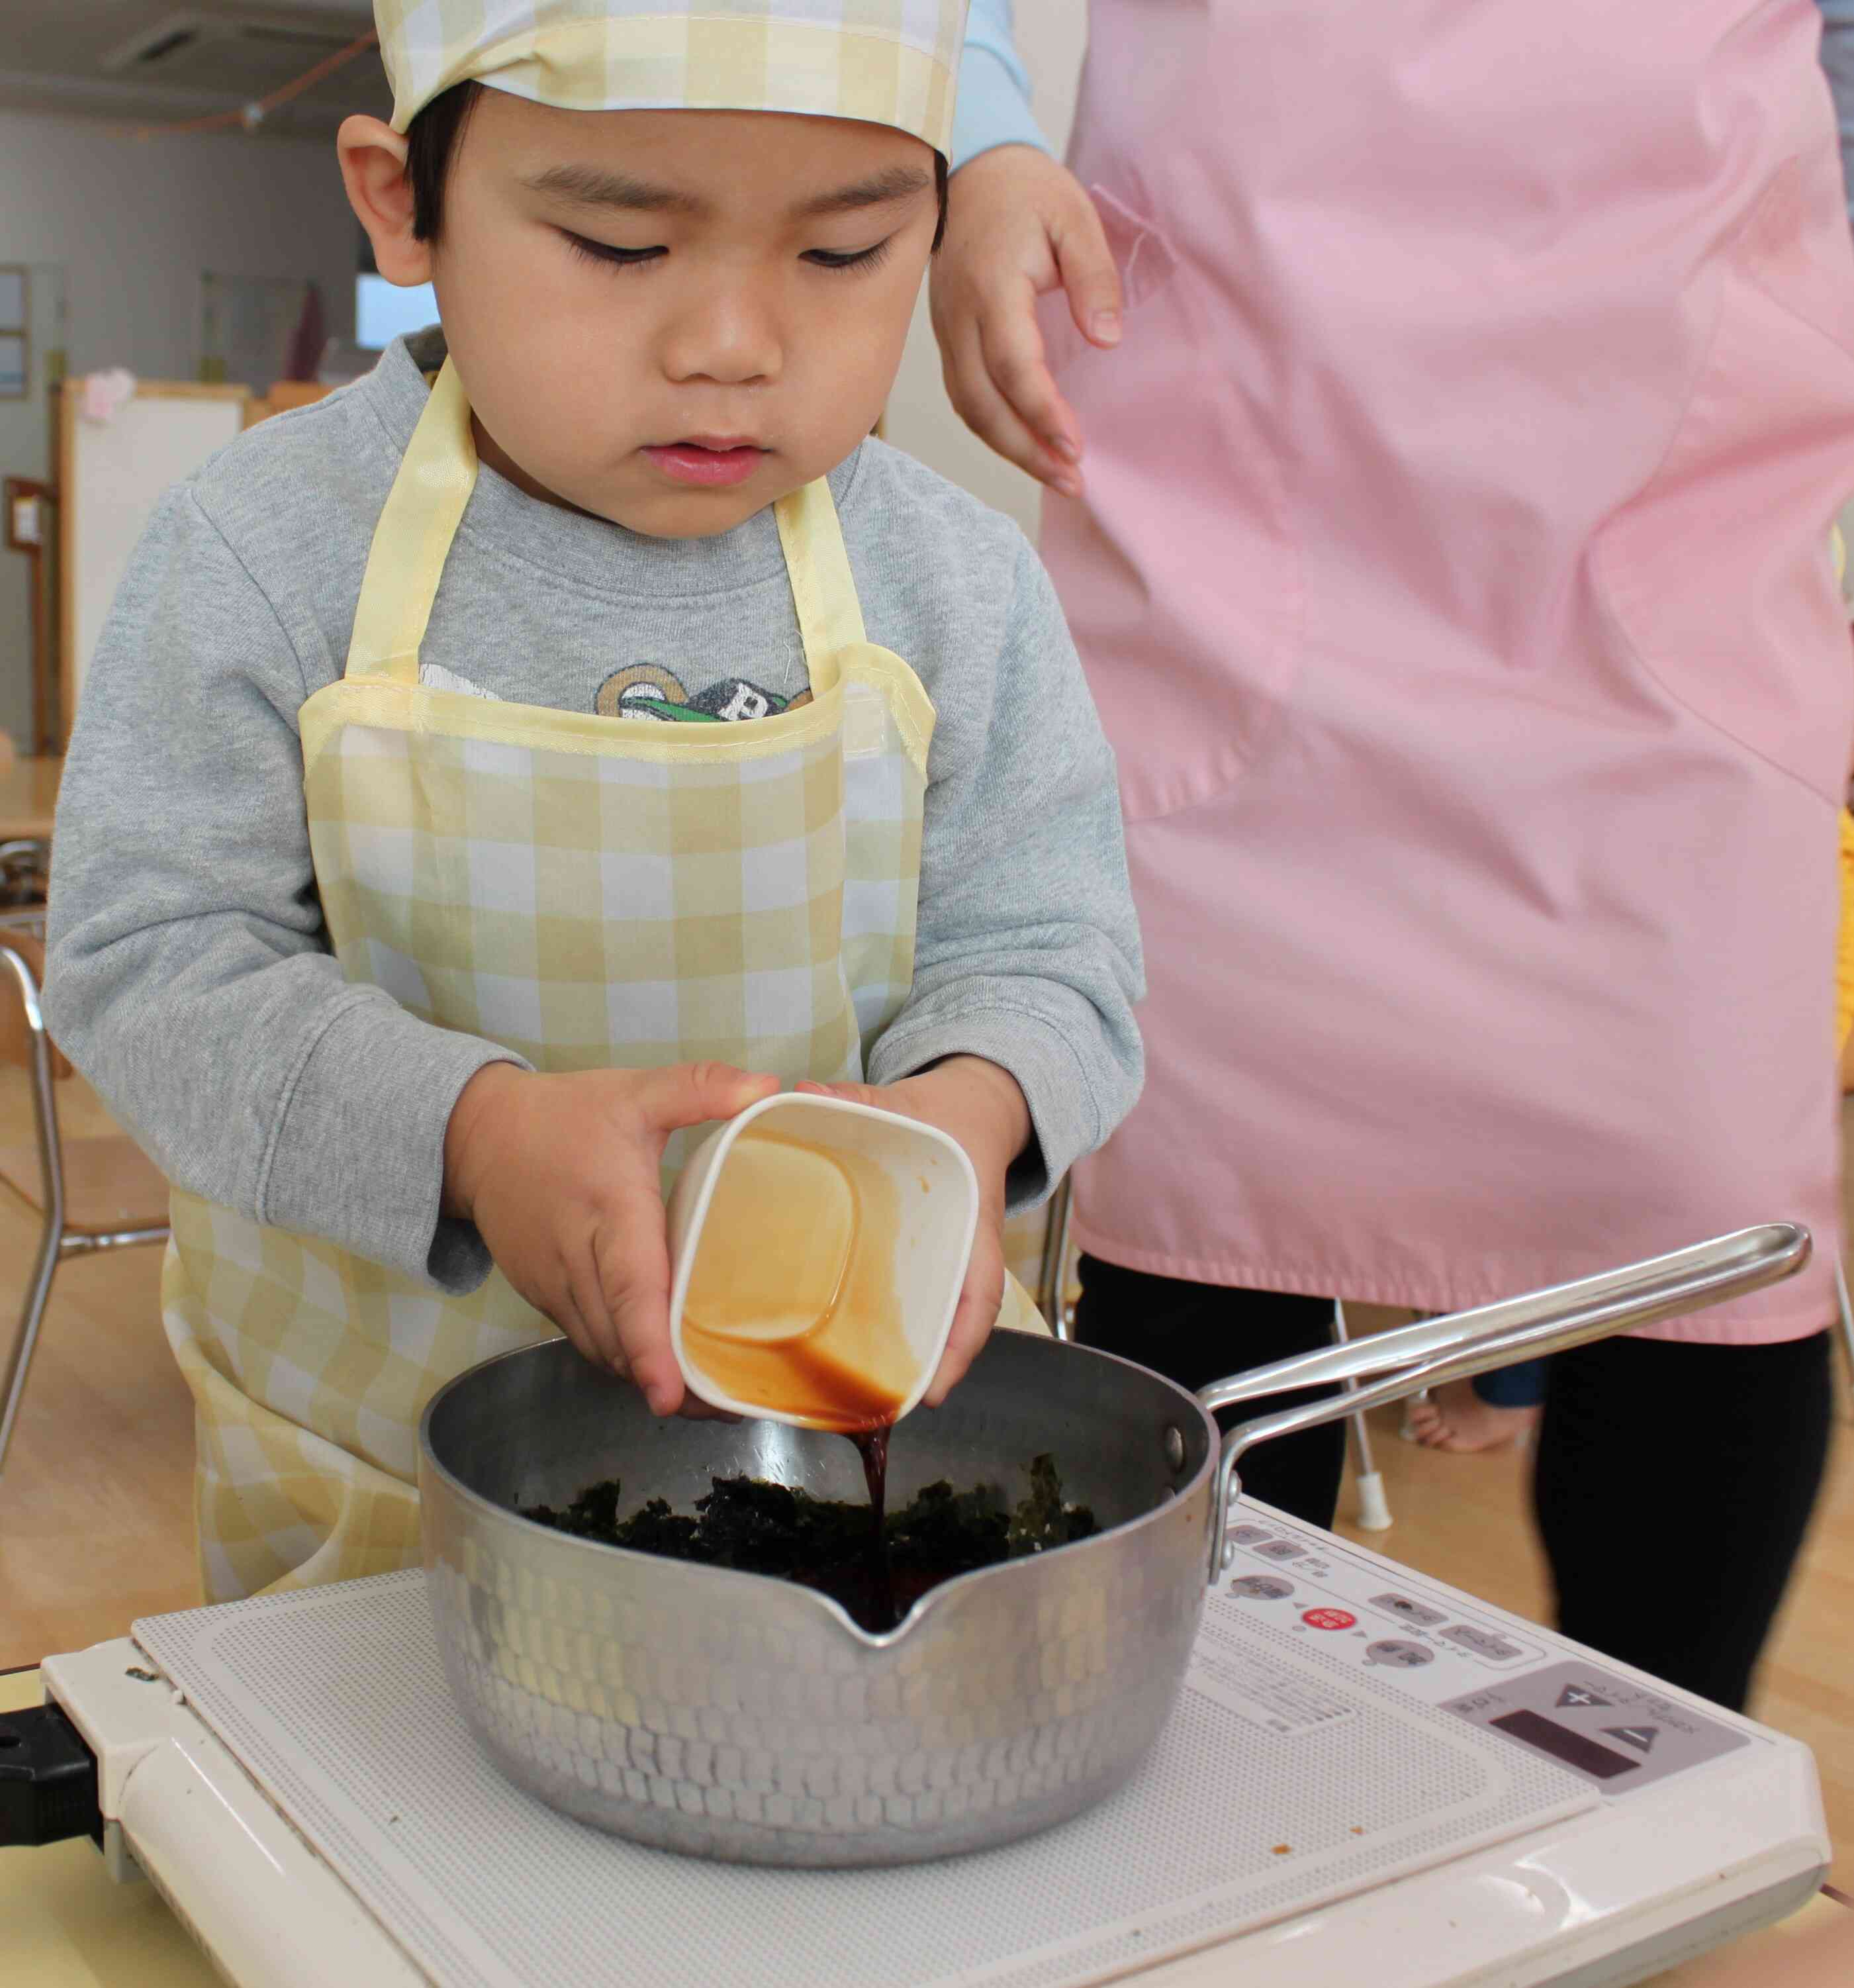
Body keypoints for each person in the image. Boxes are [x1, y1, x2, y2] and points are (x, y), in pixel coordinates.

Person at [44, 0, 1144, 1604]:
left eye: (842, 256)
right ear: (401, 202)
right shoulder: (265, 547)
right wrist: (475, 1136)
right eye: (619, 245)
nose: (733, 342)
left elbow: (1053, 944)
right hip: (378, 1479)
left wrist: (964, 1117)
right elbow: (148, 960)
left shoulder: (953, 583)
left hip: (837, 1454)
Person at [935, 0, 1851, 1711]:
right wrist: (976, 124)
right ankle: (1215, 1819)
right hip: (1240, 398)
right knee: (1205, 1196)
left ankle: (1655, 1855)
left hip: (1669, 410)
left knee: (1704, 1210)